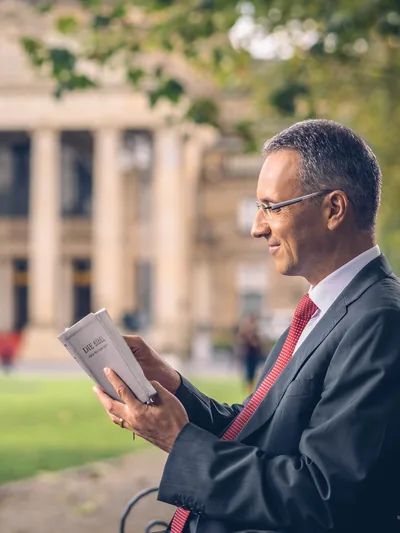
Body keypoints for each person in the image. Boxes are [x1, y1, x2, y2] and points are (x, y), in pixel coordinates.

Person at [93, 119, 400, 533]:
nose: (257, 227)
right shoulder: (323, 308)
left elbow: (320, 496)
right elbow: (261, 431)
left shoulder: (378, 320)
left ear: (334, 209)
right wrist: (174, 384)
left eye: (271, 207)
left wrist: (178, 441)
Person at [236, 314, 264, 394]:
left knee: (253, 373)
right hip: (248, 355)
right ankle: (249, 390)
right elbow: (240, 341)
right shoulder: (245, 332)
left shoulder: (256, 332)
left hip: (255, 355)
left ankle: (251, 390)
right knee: (248, 373)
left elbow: (259, 343)